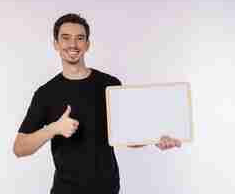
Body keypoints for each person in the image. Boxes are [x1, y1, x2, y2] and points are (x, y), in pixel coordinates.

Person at [13, 13, 182, 194]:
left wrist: (154, 137)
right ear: (56, 44)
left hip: (107, 188)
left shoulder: (110, 84)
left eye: (80, 38)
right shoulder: (46, 93)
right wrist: (54, 128)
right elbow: (19, 148)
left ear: (87, 44)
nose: (73, 44)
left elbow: (126, 136)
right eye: (65, 38)